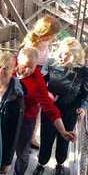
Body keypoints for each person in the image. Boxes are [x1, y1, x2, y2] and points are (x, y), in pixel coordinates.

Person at [14, 47, 76, 175]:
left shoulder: (37, 80)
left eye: (31, 66)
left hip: (26, 119)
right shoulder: (10, 68)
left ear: (37, 66)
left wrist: (62, 131)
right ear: (18, 61)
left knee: (22, 152)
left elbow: (50, 108)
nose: (27, 69)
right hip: (7, 115)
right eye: (24, 65)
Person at [32, 38, 88, 175]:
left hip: (70, 110)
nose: (62, 57)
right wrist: (45, 93)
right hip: (51, 108)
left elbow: (86, 93)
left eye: (67, 54)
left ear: (75, 56)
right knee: (46, 137)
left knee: (64, 140)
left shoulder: (84, 71)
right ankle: (41, 164)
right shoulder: (51, 62)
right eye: (61, 53)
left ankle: (59, 164)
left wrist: (83, 108)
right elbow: (40, 83)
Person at [22, 16, 61, 149]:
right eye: (52, 34)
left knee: (37, 110)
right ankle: (24, 137)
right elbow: (27, 67)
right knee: (30, 109)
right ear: (46, 32)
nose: (53, 37)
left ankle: (31, 137)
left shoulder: (46, 42)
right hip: (31, 76)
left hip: (41, 75)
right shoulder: (31, 45)